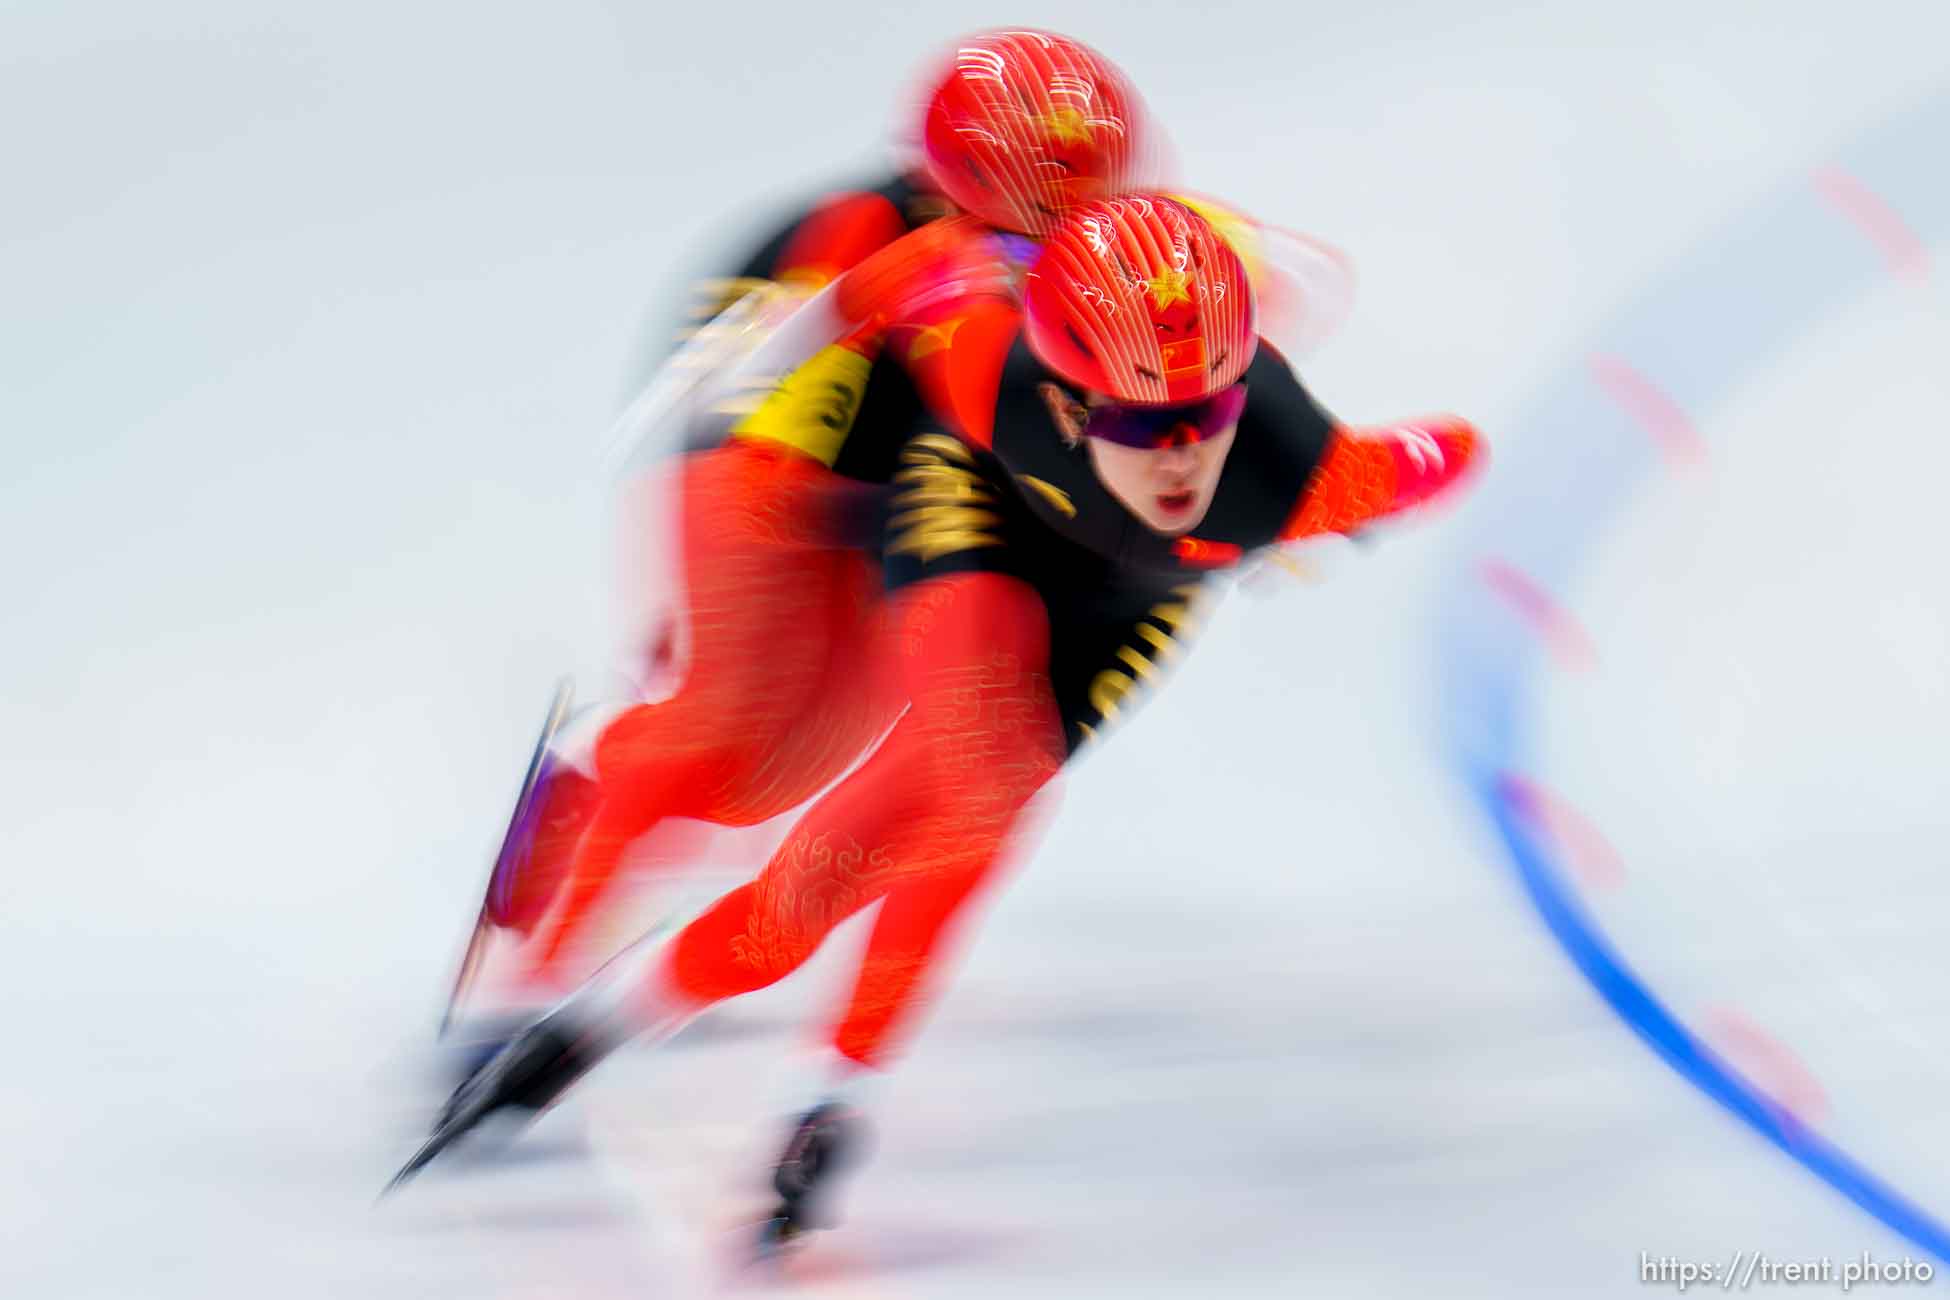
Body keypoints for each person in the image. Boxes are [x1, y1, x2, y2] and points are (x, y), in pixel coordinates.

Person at [393, 196, 1485, 1246]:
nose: (1180, 455)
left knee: (968, 813)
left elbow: (1453, 450)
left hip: (1122, 610)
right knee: (945, 766)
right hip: (979, 521)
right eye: (1141, 422)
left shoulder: (1307, 473)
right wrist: (769, 366)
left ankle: (793, 1081)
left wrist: (1328, 522)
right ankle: (591, 1037)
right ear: (1063, 402)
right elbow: (914, 276)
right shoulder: (985, 366)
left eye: (1210, 415)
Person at [463, 30, 1155, 1002]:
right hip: (768, 463)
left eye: (1090, 189)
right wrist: (752, 538)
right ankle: (537, 971)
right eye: (1047, 193)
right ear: (961, 170)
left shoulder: (1048, 249)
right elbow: (775, 384)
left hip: (877, 493)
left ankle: (607, 776)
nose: (1066, 219)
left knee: (778, 778)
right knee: (728, 731)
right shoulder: (868, 227)